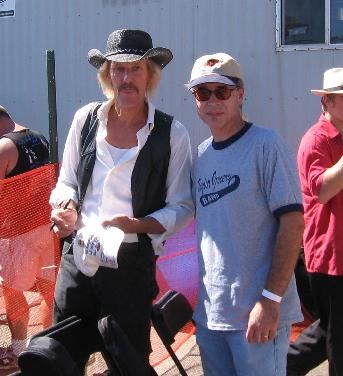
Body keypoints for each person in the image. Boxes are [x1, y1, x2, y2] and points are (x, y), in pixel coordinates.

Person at [49, 29, 194, 375]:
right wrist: (66, 207)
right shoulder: (85, 120)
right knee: (61, 358)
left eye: (135, 69)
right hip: (78, 258)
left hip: (131, 266)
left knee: (127, 363)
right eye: (118, 69)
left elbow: (182, 207)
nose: (126, 78)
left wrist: (137, 225)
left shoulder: (172, 134)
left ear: (150, 75)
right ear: (107, 74)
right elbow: (66, 181)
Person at [187, 53, 304, 376]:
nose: (212, 100)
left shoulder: (266, 145)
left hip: (258, 317)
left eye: (221, 91)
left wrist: (270, 300)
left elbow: (293, 222)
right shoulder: (200, 158)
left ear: (240, 94)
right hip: (212, 318)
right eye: (202, 92)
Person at [288, 67, 343, 376]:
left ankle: (281, 367)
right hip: (331, 258)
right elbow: (322, 190)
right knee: (337, 339)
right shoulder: (316, 140)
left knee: (328, 332)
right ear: (327, 101)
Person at [0, 105, 53, 370]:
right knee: (49, 290)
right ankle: (51, 347)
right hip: (47, 225)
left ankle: (19, 351)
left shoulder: (2, 149)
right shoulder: (37, 136)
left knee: (12, 290)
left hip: (17, 232)